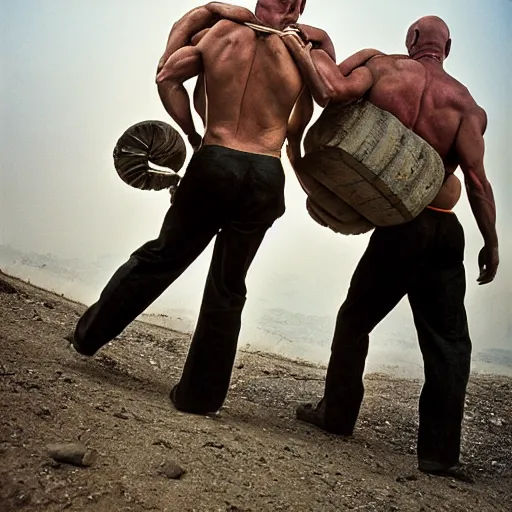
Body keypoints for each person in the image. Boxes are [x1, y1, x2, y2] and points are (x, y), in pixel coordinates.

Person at [68, 0, 335, 416]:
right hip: (266, 170)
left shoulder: (218, 32)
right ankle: (199, 397)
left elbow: (167, 75)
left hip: (215, 157)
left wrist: (192, 135)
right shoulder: (307, 46)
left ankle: (89, 335)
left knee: (162, 256)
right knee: (228, 287)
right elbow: (316, 111)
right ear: (297, 7)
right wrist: (299, 161)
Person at [280, 16, 499, 481]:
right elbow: (478, 184)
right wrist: (491, 242)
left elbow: (331, 92)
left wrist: (309, 48)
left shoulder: (381, 67)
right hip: (445, 230)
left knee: (355, 318)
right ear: (448, 47)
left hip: (402, 225)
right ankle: (439, 455)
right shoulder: (467, 107)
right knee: (449, 343)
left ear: (413, 40)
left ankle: (336, 415)